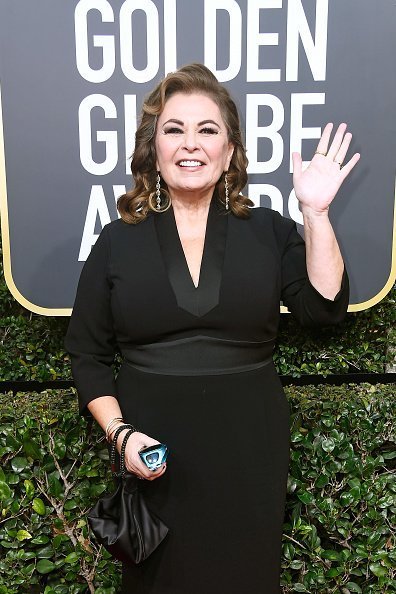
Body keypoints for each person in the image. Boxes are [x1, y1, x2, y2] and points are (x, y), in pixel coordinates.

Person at [65, 63, 359, 594]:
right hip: (152, 451)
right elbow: (87, 355)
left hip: (247, 448)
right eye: (173, 130)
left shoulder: (268, 230)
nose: (189, 144)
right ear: (154, 149)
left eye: (207, 130)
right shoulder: (116, 241)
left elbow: (323, 309)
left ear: (229, 151)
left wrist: (315, 213)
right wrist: (120, 434)